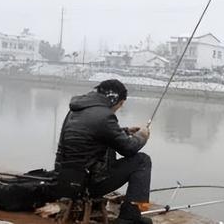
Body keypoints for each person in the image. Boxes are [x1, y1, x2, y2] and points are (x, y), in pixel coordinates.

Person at [55, 79, 152, 224]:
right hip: (87, 184)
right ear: (114, 100)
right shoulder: (104, 116)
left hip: (64, 180)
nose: (118, 109)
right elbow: (129, 149)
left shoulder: (76, 110)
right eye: (120, 105)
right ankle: (129, 217)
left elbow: (97, 134)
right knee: (142, 160)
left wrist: (124, 131)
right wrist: (142, 136)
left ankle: (129, 213)